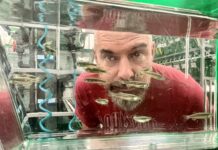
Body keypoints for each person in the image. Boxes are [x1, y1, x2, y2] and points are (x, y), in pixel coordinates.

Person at [75, 31, 204, 133]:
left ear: (152, 53)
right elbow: (89, 133)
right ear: (96, 59)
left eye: (137, 54)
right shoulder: (87, 87)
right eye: (110, 57)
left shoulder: (188, 92)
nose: (125, 74)